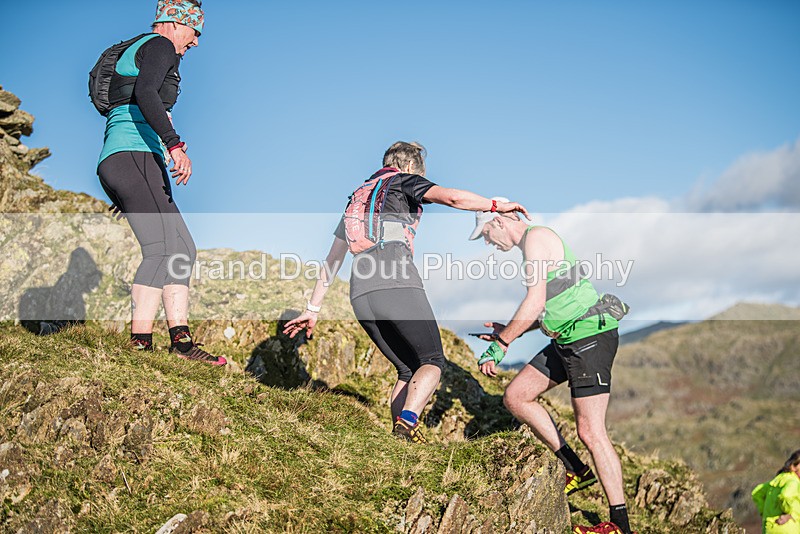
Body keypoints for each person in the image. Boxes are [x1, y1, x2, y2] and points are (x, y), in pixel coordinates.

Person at [283, 141, 528, 443]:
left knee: (405, 368)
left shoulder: (357, 200)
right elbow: (451, 197)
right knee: (432, 361)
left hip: (360, 293)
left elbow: (333, 259)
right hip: (395, 281)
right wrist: (494, 205)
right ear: (411, 167)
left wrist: (313, 309)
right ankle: (407, 425)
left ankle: (400, 442)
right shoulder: (402, 181)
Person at [469, 205, 634, 534]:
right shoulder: (532, 245)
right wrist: (511, 329)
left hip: (589, 337)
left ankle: (620, 526)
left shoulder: (537, 239)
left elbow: (533, 302)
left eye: (486, 235)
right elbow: (545, 307)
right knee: (517, 396)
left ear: (498, 222)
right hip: (567, 339)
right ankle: (576, 468)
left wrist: (502, 343)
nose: (487, 243)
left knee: (591, 431)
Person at [95, 0, 225, 365]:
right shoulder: (160, 45)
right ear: (174, 22)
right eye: (195, 30)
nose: (196, 41)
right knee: (161, 251)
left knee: (183, 249)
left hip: (133, 162)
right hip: (132, 156)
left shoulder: (148, 47)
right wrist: (175, 144)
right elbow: (146, 93)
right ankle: (140, 344)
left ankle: (181, 342)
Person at [752, 450, 800, 534]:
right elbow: (785, 496)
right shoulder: (793, 481)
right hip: (788, 529)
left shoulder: (776, 480)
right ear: (793, 466)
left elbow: (756, 493)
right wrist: (788, 513)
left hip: (769, 528)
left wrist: (765, 512)